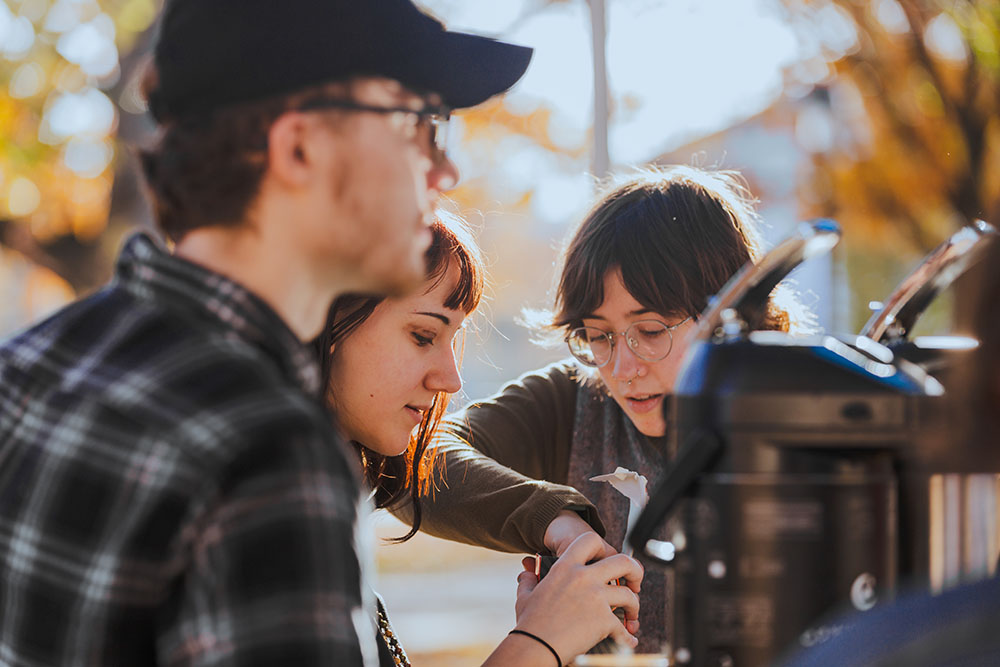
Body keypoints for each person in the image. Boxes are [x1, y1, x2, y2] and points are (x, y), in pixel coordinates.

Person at [0, 0, 591, 664]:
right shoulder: (269, 449)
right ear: (298, 147)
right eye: (418, 127)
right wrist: (540, 645)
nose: (443, 172)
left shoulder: (33, 362)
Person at [413, 165, 812, 653]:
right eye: (599, 336)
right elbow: (414, 457)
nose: (622, 368)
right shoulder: (574, 403)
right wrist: (552, 518)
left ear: (732, 316)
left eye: (650, 331)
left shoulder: (815, 415)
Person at [316, 213, 643, 666]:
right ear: (327, 316)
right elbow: (430, 459)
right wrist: (541, 641)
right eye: (423, 335)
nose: (451, 380)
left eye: (651, 331)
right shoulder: (273, 503)